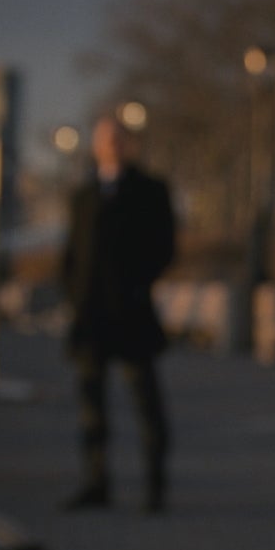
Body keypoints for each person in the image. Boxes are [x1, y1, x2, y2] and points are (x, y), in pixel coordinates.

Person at [60, 113, 175, 514]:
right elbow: (73, 253)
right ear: (95, 146)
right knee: (91, 407)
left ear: (129, 143)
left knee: (146, 403)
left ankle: (155, 485)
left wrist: (138, 286)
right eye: (105, 139)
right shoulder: (83, 195)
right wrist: (73, 297)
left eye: (118, 138)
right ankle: (96, 482)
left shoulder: (151, 190)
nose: (111, 145)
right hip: (90, 319)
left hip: (131, 315)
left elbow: (164, 247)